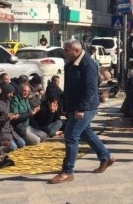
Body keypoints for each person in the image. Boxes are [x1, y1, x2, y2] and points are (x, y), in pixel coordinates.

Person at [49, 39, 115, 184]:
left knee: (71, 136)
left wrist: (82, 108)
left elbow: (91, 89)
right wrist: (65, 104)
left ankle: (67, 171)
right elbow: (69, 86)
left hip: (85, 107)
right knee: (86, 132)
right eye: (64, 49)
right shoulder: (71, 63)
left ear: (77, 51)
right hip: (74, 105)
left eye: (67, 50)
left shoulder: (88, 64)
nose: (65, 52)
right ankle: (106, 157)